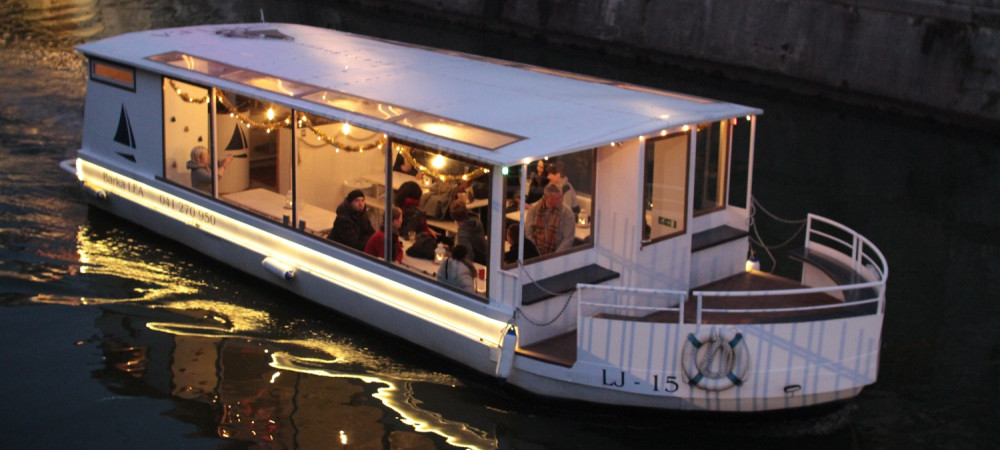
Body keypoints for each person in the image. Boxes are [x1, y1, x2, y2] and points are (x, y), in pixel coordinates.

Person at [524, 183, 576, 255]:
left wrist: (554, 257)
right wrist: (536, 252)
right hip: (535, 254)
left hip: (557, 255)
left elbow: (568, 239)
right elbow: (528, 233)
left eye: (561, 197)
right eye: (557, 198)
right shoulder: (534, 209)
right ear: (547, 198)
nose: (561, 200)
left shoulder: (567, 213)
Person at [450, 200, 487, 265]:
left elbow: (468, 257)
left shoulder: (463, 235)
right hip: (486, 257)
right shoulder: (476, 221)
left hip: (478, 264)